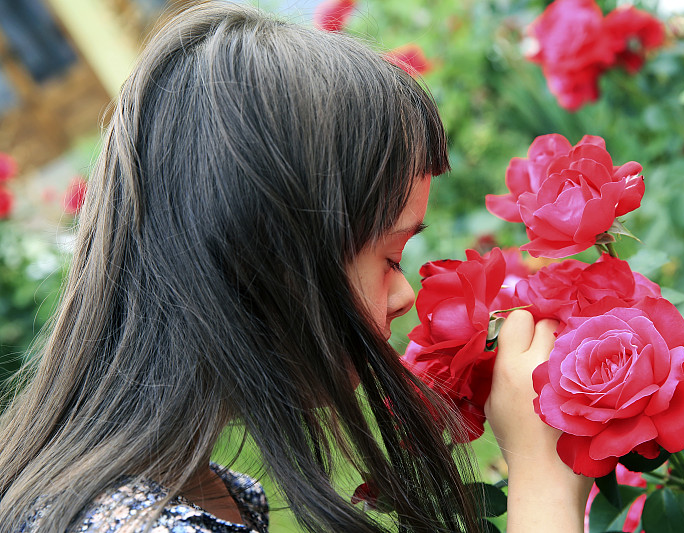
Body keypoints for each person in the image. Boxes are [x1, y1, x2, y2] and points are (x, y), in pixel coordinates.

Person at [0, 2, 591, 532]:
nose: (407, 293)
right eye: (389, 257)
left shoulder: (200, 495)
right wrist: (542, 485)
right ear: (273, 262)